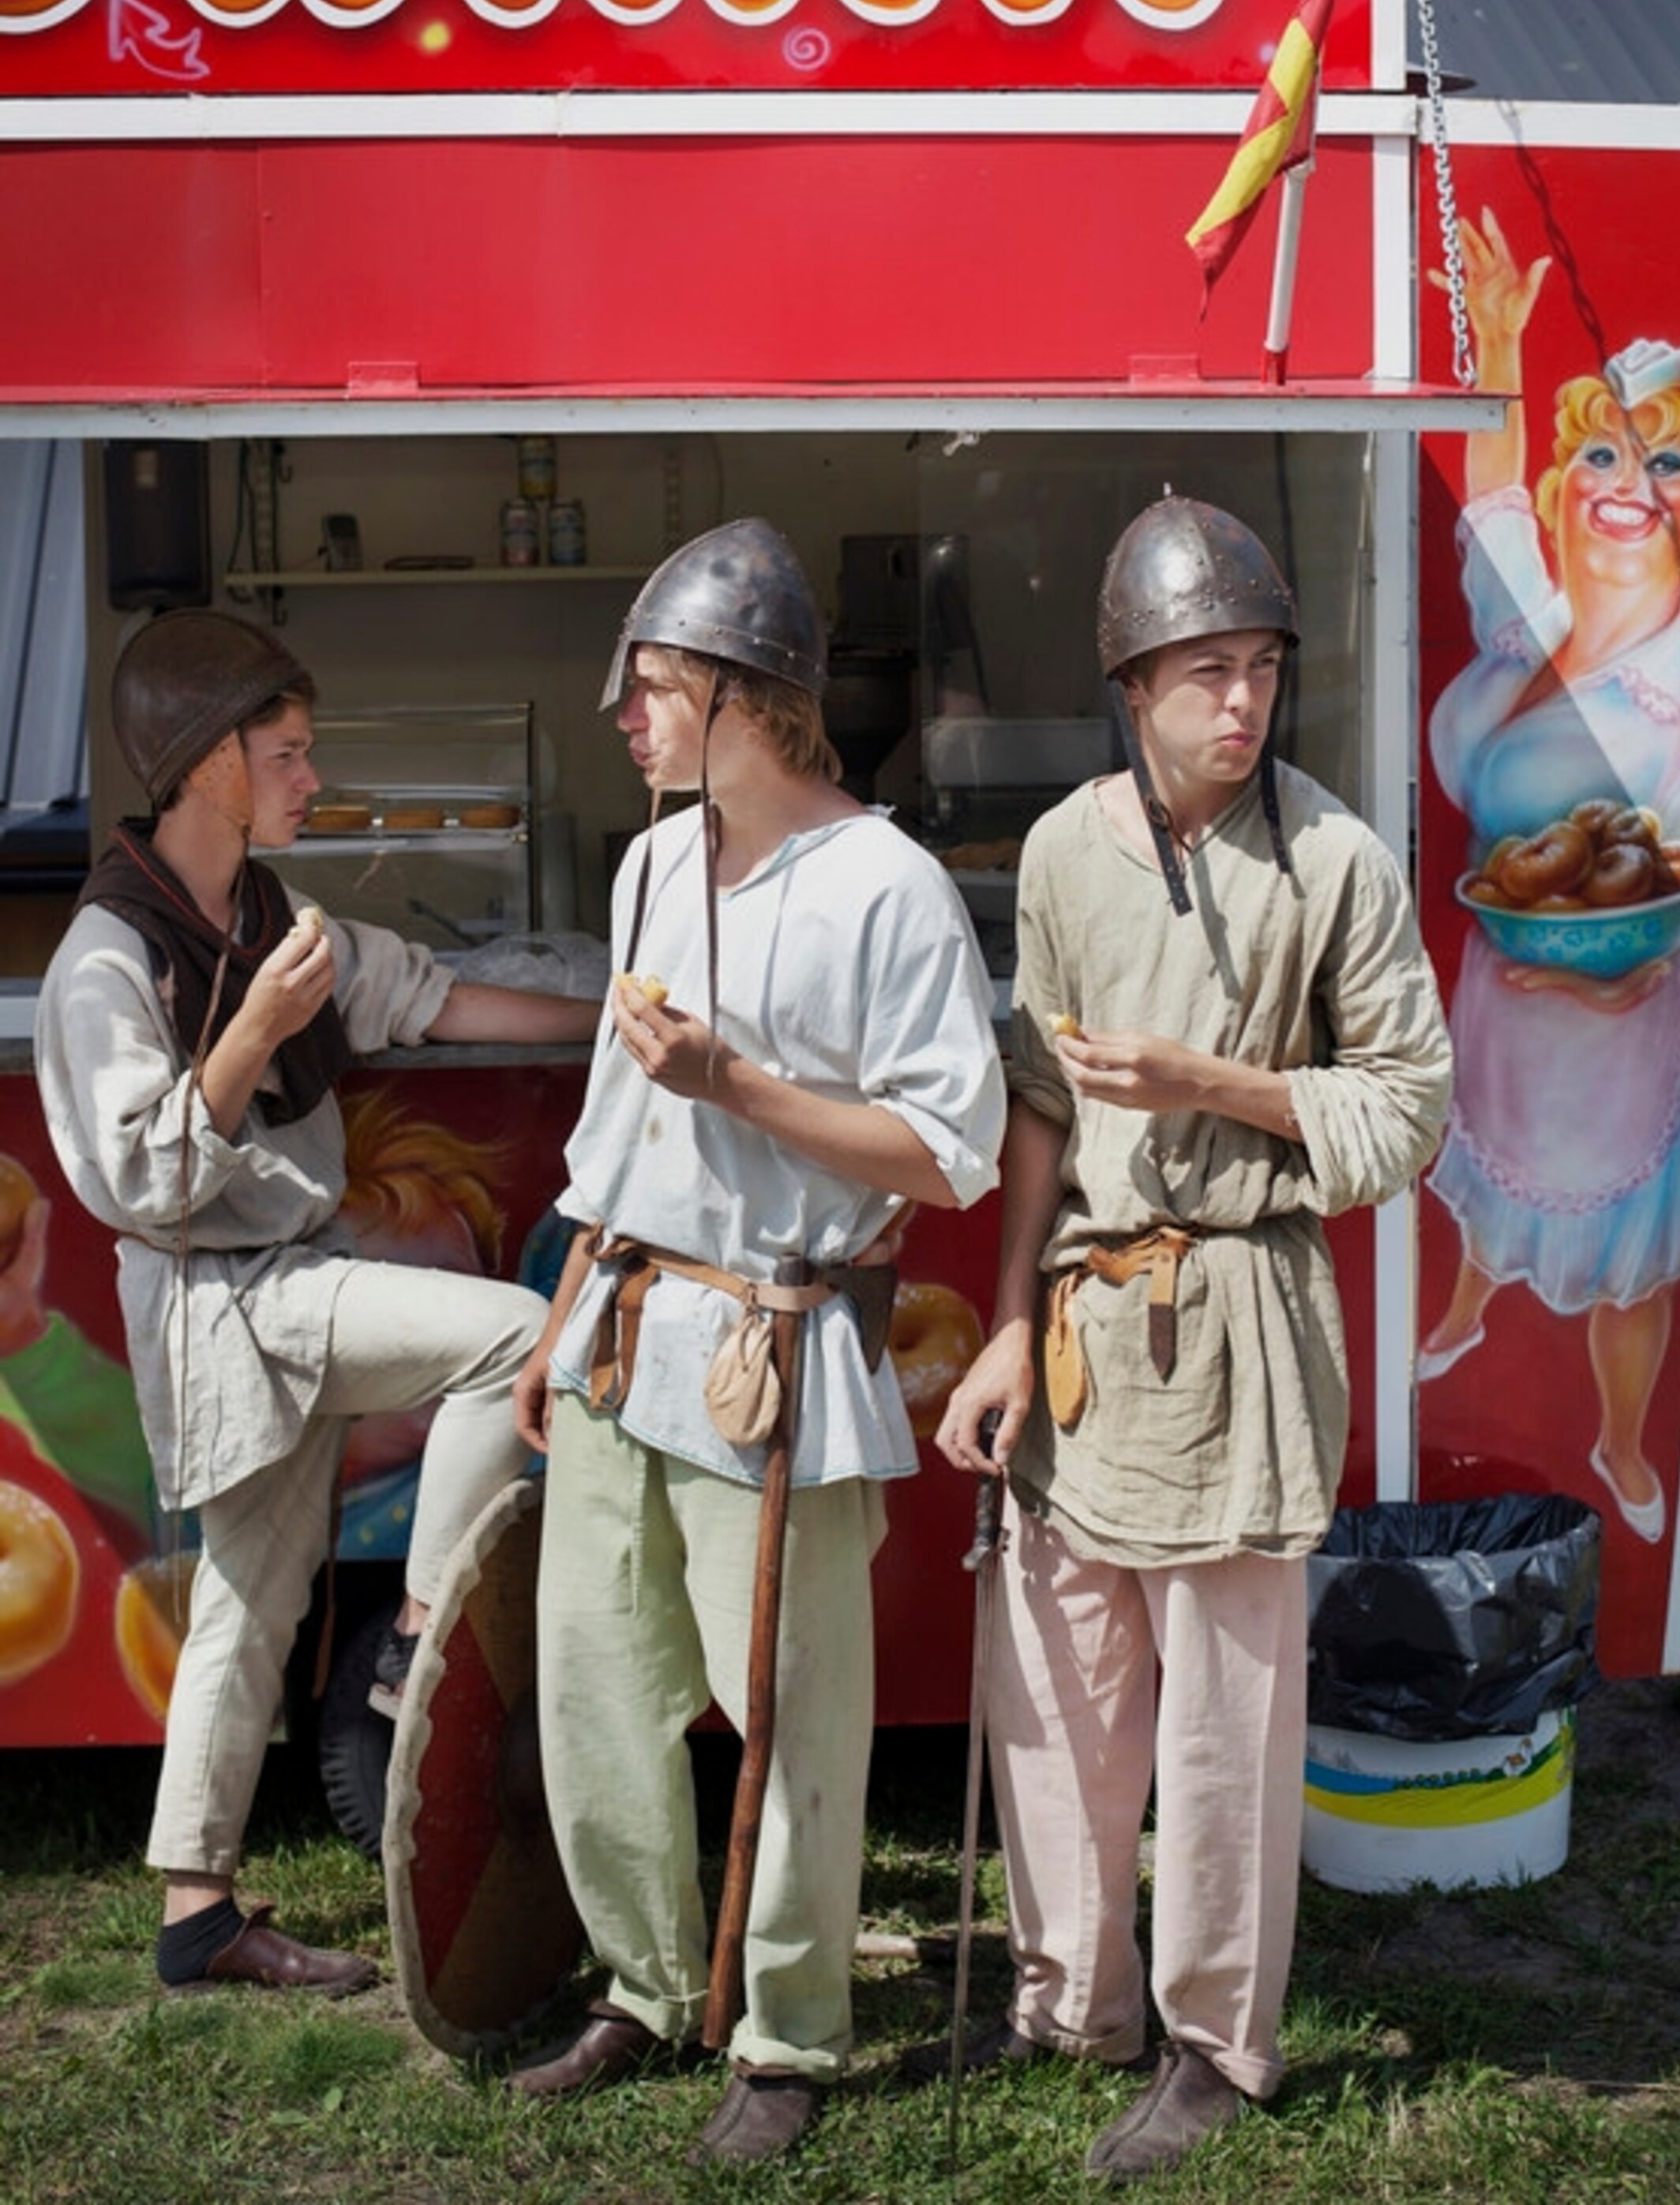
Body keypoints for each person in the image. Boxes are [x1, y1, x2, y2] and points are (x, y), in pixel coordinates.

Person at [932, 496, 1451, 2184]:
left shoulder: (1336, 860)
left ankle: (1217, 2041)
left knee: (1224, 1723)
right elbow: (1035, 1098)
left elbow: (1410, 1107)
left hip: (1240, 1314)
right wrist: (1007, 1323)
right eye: (1207, 671)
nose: (1244, 702)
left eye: (1263, 669)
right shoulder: (1062, 854)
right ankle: (1070, 2002)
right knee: (1060, 1688)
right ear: (1133, 686)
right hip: (1087, 1323)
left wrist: (1213, 1084)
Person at [507, 519, 1004, 2164]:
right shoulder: (654, 861)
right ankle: (647, 1984)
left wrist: (739, 1085)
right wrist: (561, 1317)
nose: (624, 716)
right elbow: (613, 1128)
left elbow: (947, 1152)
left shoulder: (885, 887)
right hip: (622, 1330)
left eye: (653, 687)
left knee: (791, 1716)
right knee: (594, 1682)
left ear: (747, 697)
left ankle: (786, 2033)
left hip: (771, 1346)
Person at [34, 609, 602, 1997]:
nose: (312, 776)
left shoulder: (270, 919)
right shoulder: (104, 961)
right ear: (208, 763)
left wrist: (615, 1026)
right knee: (516, 1342)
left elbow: (439, 1001)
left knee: (249, 1604)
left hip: (283, 1287)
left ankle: (195, 1913)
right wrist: (253, 1032)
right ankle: (420, 1634)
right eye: (285, 753)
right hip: (225, 1304)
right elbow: (141, 1182)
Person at [1418, 209, 1680, 1546]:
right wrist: (1501, 350)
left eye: (1666, 461)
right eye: (1606, 451)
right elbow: (1491, 496)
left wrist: (1620, 974)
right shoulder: (1531, 628)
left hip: (1627, 1030)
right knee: (1488, 1176)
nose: (1627, 481)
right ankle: (1464, 1310)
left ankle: (1620, 1440)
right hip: (1505, 1004)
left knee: (1627, 1260)